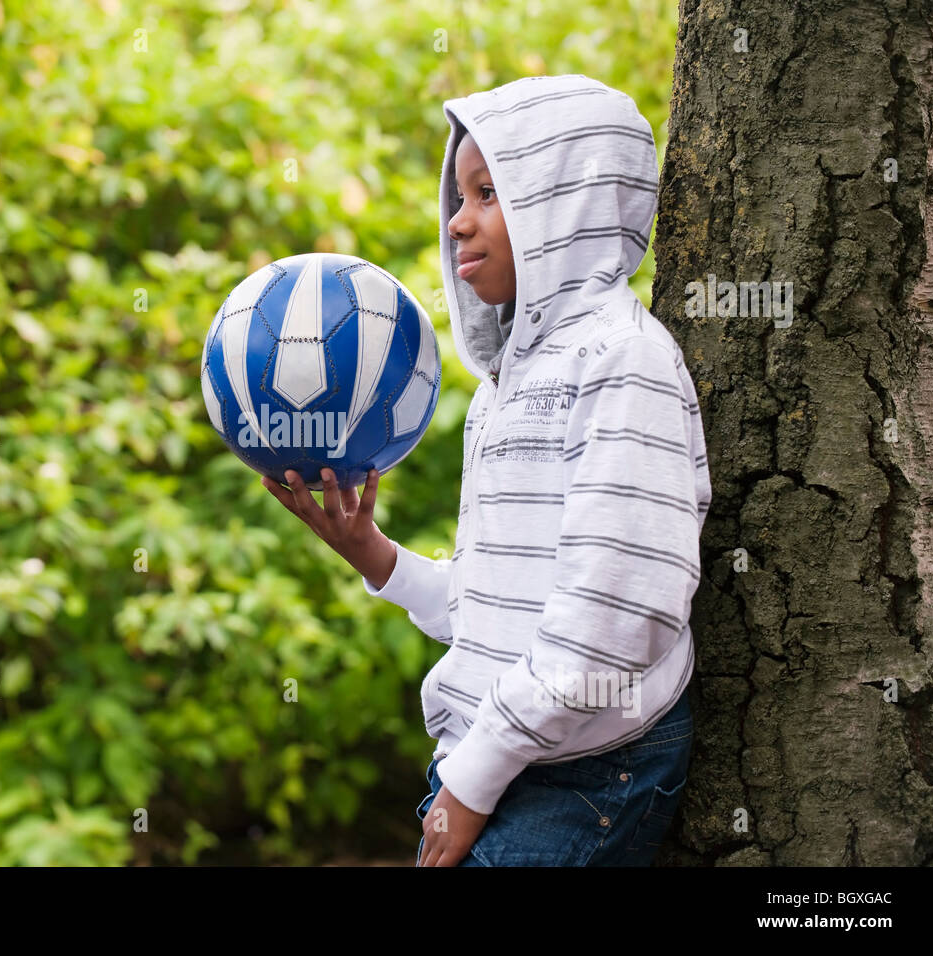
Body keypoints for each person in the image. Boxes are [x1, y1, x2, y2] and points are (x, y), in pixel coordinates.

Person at [261, 73, 711, 866]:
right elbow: (497, 616)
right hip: (494, 759)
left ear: (565, 204)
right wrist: (373, 556)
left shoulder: (624, 361)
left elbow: (613, 623)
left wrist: (474, 778)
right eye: (457, 194)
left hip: (585, 774)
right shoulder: (502, 391)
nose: (456, 221)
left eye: (488, 193)